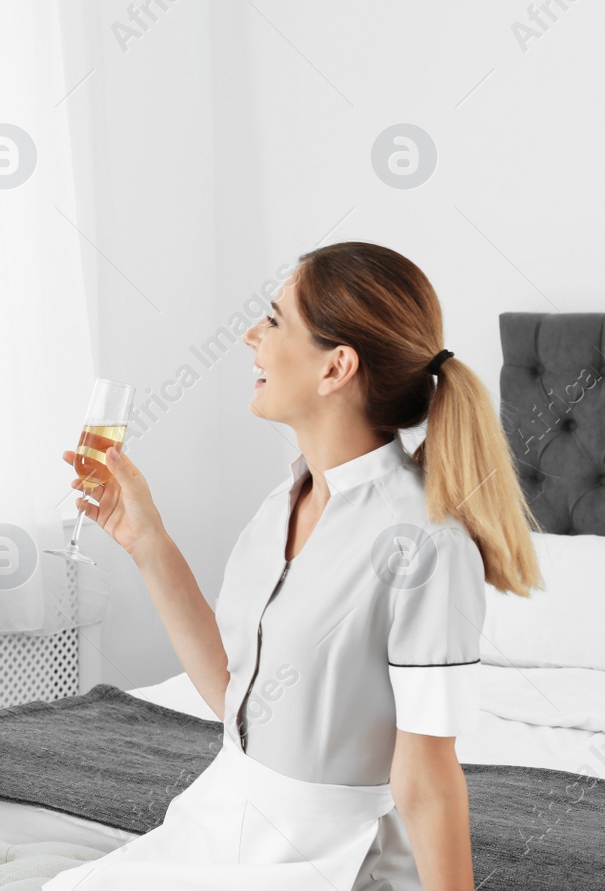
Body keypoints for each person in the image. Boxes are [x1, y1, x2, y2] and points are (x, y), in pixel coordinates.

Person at [46, 243, 543, 891]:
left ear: (336, 366)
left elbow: (426, 775)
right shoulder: (284, 500)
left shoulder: (423, 541)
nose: (251, 334)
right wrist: (148, 541)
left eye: (274, 319)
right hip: (215, 817)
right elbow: (236, 698)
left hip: (322, 858)